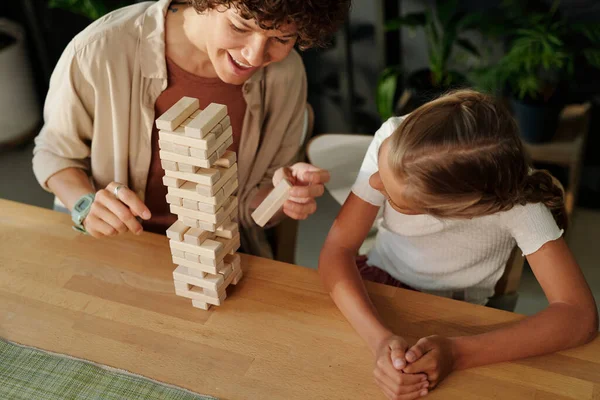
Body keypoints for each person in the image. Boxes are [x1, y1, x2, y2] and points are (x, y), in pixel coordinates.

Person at [319, 89, 598, 399]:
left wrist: (457, 353)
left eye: (391, 198)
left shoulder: (519, 204)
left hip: (459, 317)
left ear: (455, 213)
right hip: (375, 289)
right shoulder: (394, 140)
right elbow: (337, 250)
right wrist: (379, 339)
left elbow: (580, 316)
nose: (373, 184)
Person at [32, 0, 349, 257]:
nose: (254, 55)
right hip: (117, 247)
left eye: (281, 39)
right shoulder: (99, 50)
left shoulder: (285, 74)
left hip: (221, 254)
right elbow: (55, 155)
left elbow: (251, 206)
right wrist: (85, 203)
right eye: (240, 27)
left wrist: (283, 196)